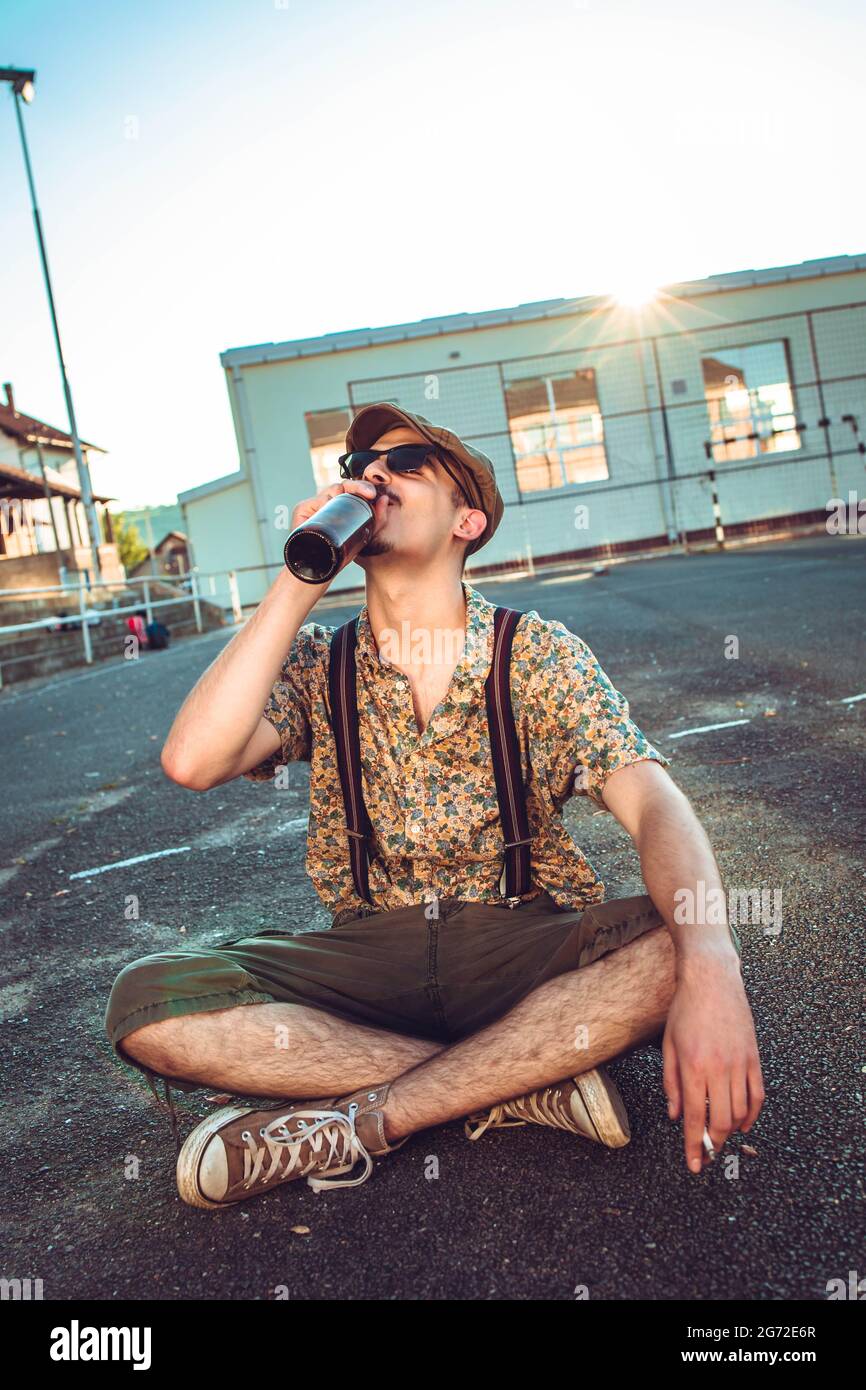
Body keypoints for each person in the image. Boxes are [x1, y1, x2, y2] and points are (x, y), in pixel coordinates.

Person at [104, 402, 764, 1210]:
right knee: (148, 1002)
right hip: (369, 959)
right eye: (358, 465)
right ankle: (519, 1081)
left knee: (681, 944)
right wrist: (299, 577)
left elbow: (656, 806)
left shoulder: (536, 653)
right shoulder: (320, 665)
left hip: (521, 943)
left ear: (467, 519)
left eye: (406, 462)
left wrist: (713, 967)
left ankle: (356, 1121)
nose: (371, 475)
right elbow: (191, 759)